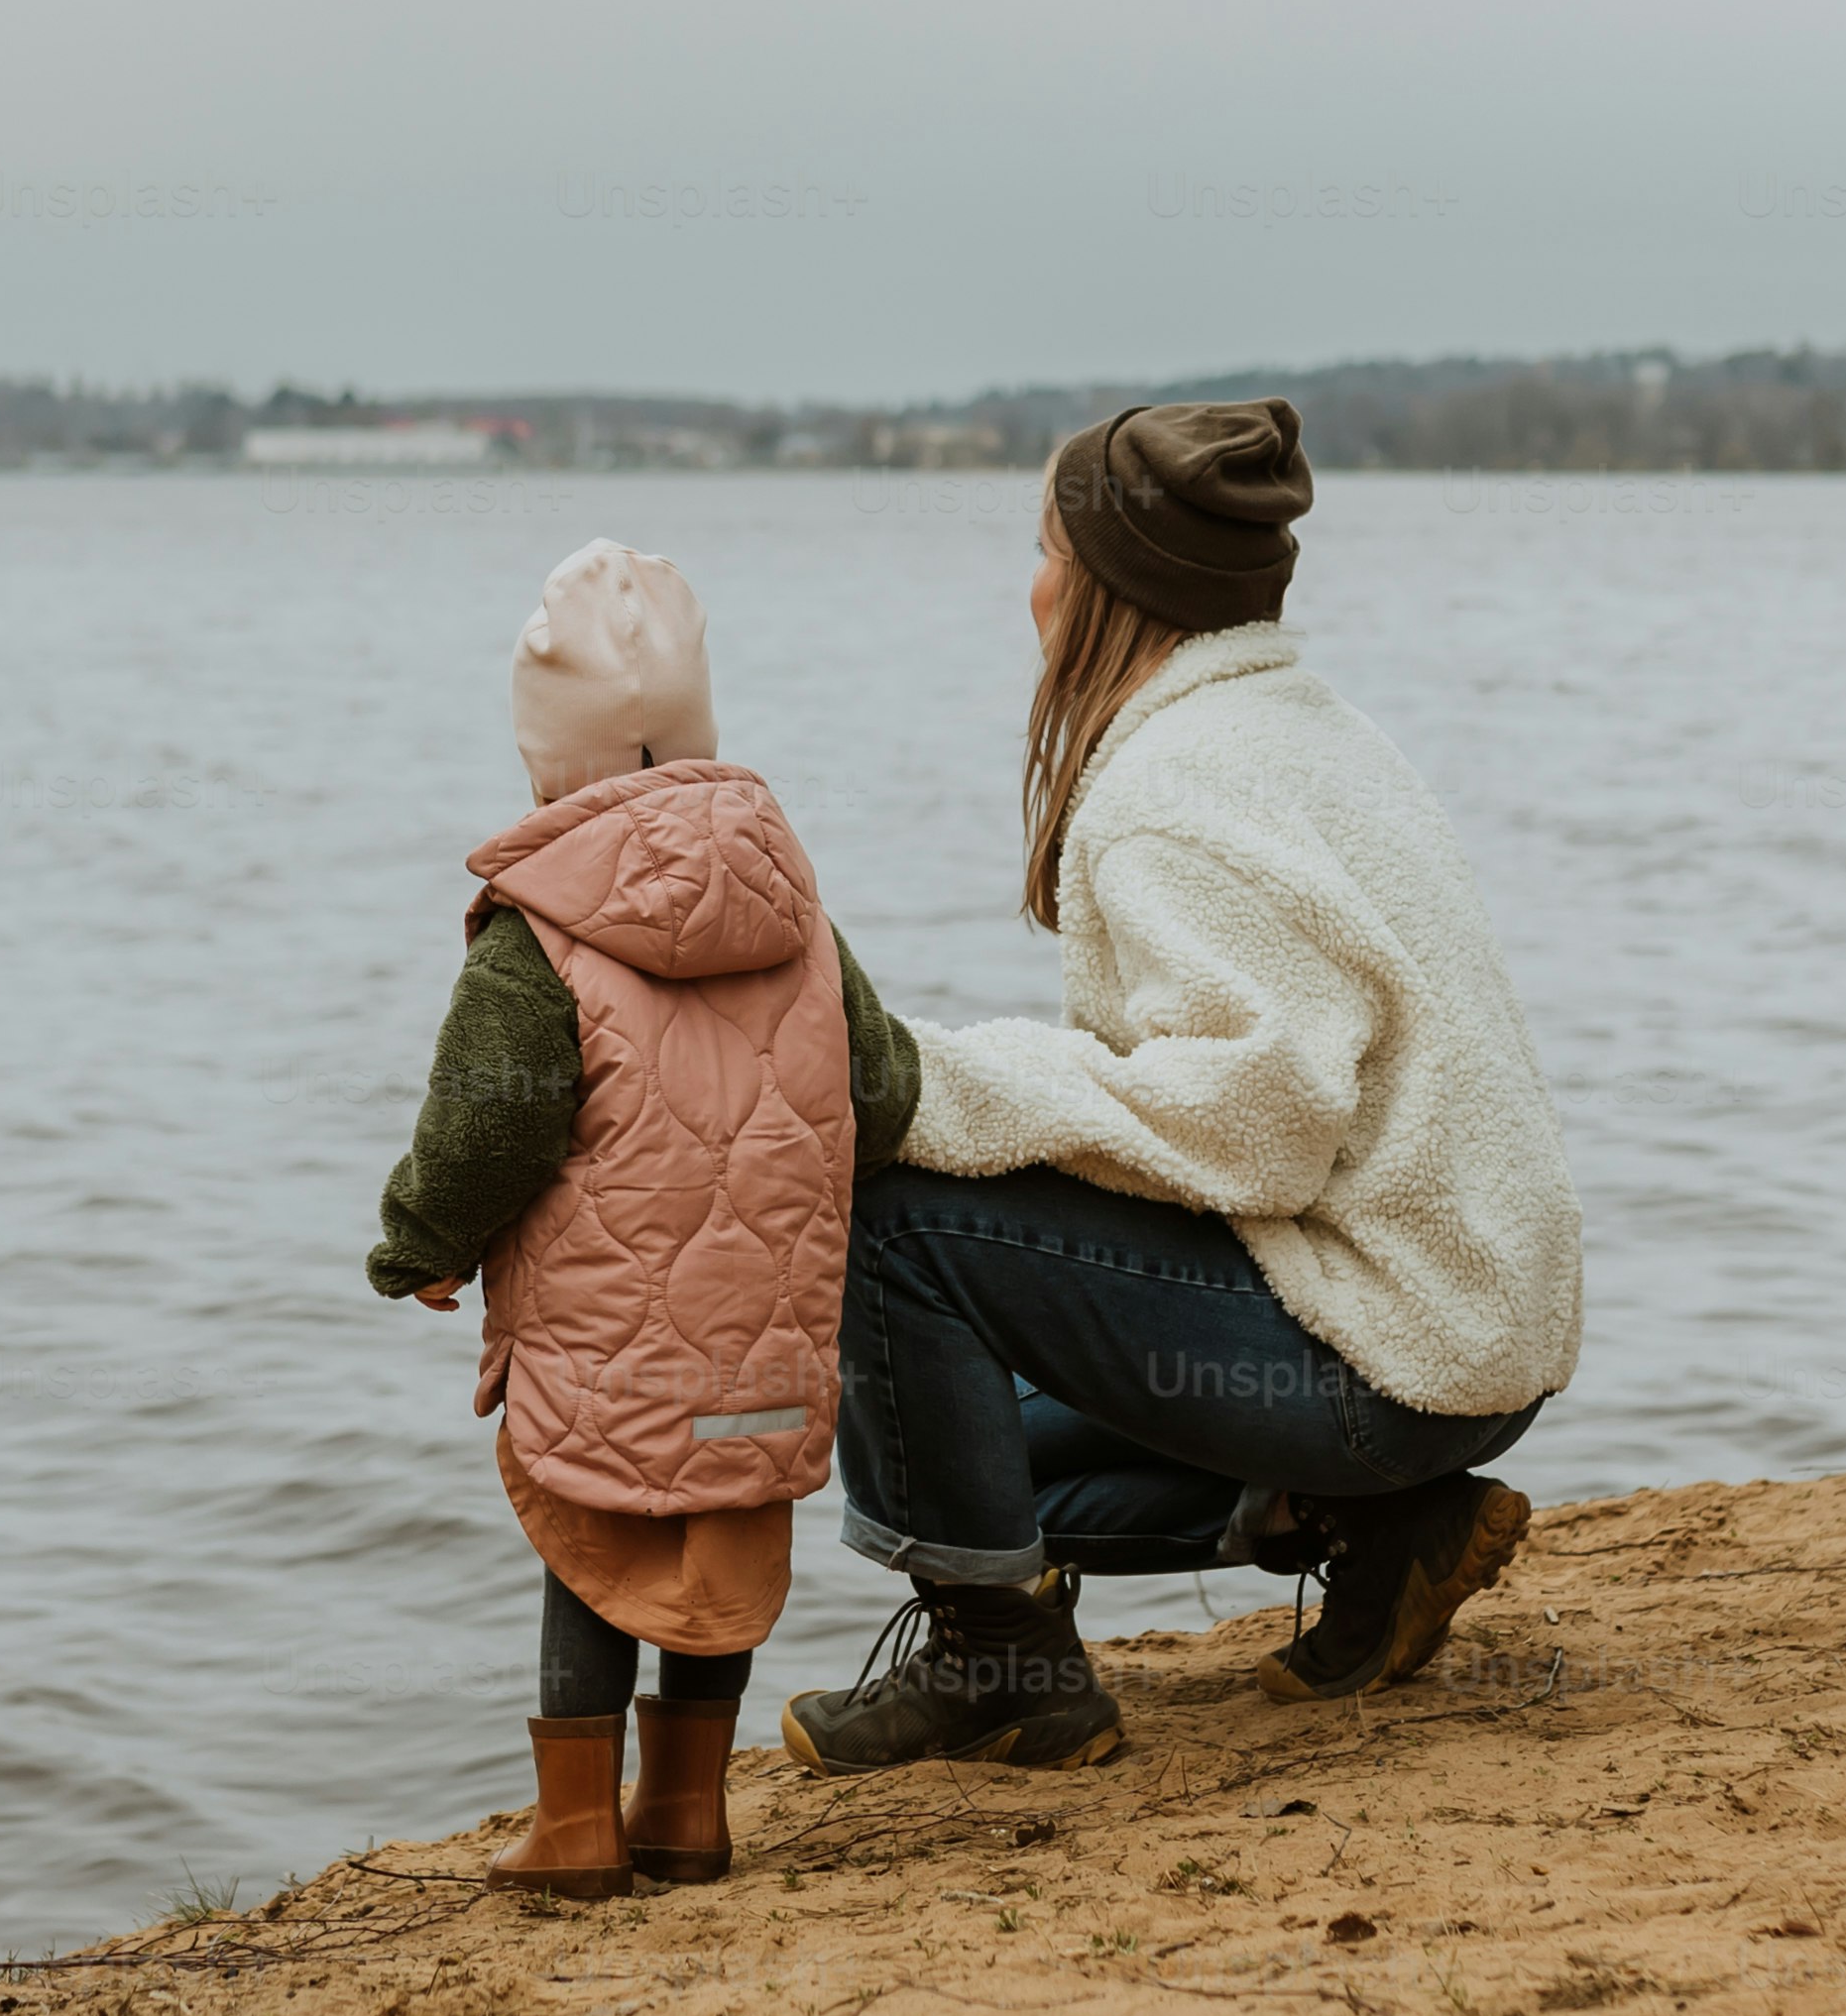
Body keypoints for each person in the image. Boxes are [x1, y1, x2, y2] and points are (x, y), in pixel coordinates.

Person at [784, 399, 1584, 1775]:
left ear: (1109, 582)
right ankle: (1388, 1533)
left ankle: (1000, 1665)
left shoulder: (1173, 791)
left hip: (1390, 1360)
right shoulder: (1306, 726)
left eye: (1042, 546)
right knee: (952, 1451)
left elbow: (1254, 1127)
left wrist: (936, 1084)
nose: (1026, 581)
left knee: (900, 1212)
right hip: (1462, 1344)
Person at [369, 539, 921, 1899]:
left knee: (597, 1538)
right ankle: (684, 1811)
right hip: (764, 1354)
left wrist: (417, 1248)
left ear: (548, 766)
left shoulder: (538, 935)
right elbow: (889, 1089)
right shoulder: (798, 915)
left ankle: (573, 1828)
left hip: (608, 1337)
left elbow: (485, 1131)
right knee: (715, 1536)